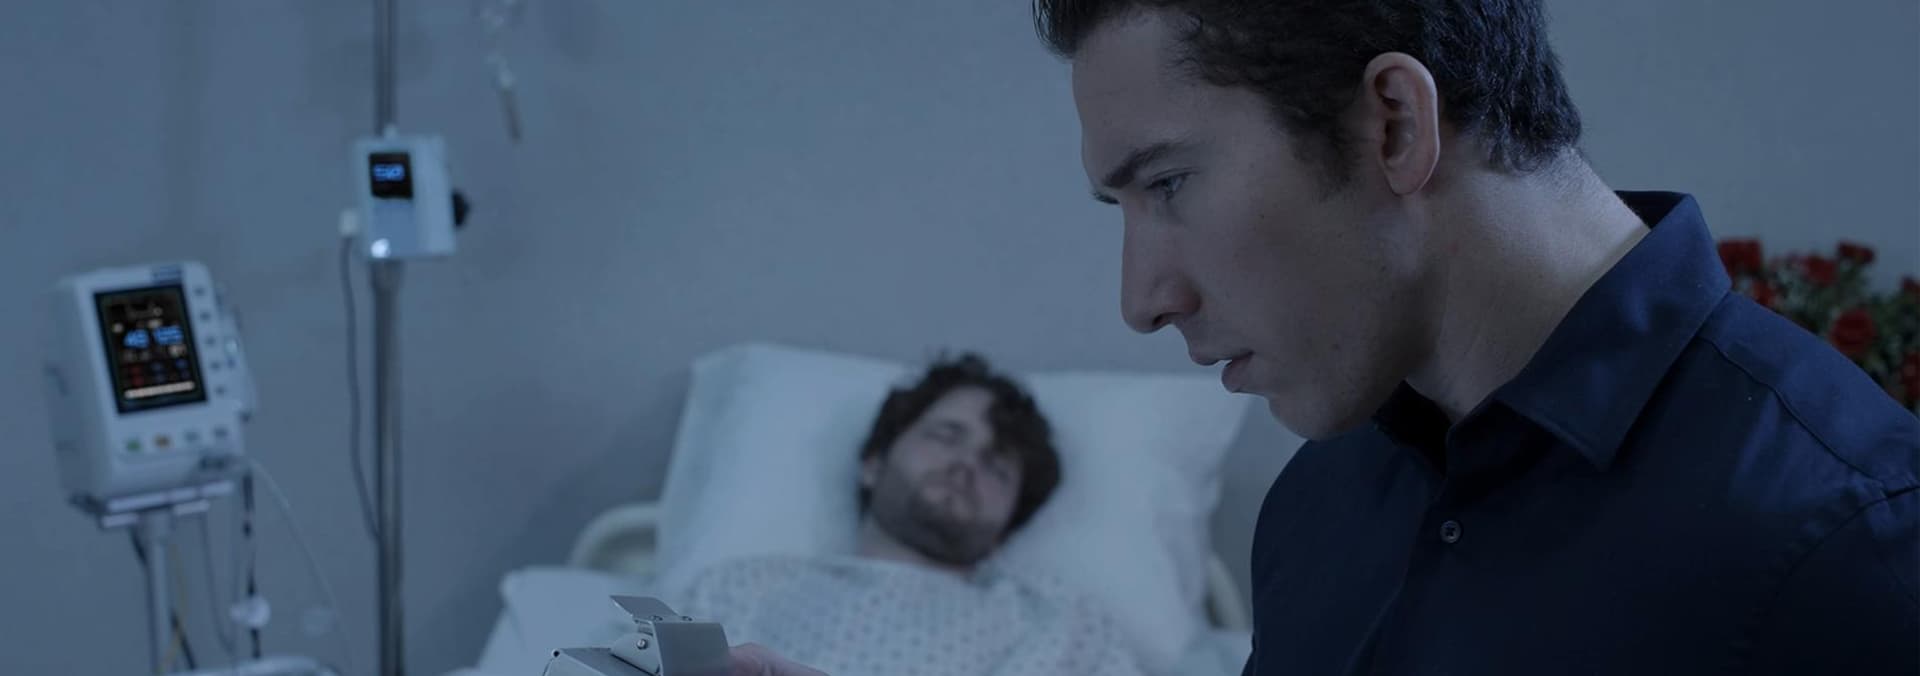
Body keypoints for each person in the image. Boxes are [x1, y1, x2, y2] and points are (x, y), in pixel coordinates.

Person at [734, 1, 1920, 674]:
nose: (1141, 299)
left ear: (1393, 123)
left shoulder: (1847, 544)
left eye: (1169, 183)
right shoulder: (1321, 502)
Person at [687, 352, 1145, 676]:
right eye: (947, 435)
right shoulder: (736, 590)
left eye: (997, 465)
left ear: (1005, 529)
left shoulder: (1060, 626)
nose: (967, 465)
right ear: (874, 463)